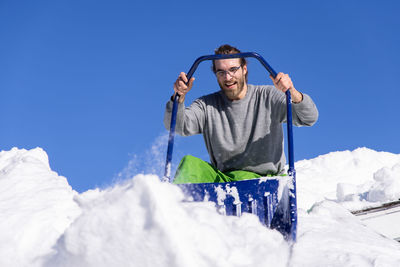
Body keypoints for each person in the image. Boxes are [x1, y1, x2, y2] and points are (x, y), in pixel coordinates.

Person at [164, 44, 318, 184]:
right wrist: (179, 96)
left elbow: (309, 117)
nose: (228, 77)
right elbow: (178, 126)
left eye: (233, 69)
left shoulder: (268, 96)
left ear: (244, 69)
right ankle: (179, 211)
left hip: (267, 181)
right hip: (226, 180)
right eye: (221, 72)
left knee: (245, 179)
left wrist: (291, 91)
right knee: (189, 165)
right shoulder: (206, 105)